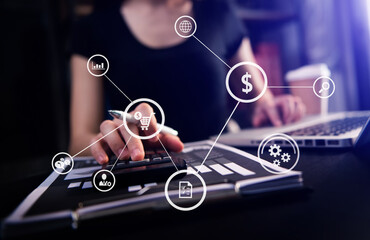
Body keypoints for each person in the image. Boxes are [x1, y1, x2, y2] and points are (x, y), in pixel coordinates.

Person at [69, 0, 306, 164]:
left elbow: (258, 98)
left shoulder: (217, 10)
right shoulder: (92, 29)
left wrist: (269, 106)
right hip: (144, 172)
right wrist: (107, 142)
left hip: (223, 166)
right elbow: (78, 142)